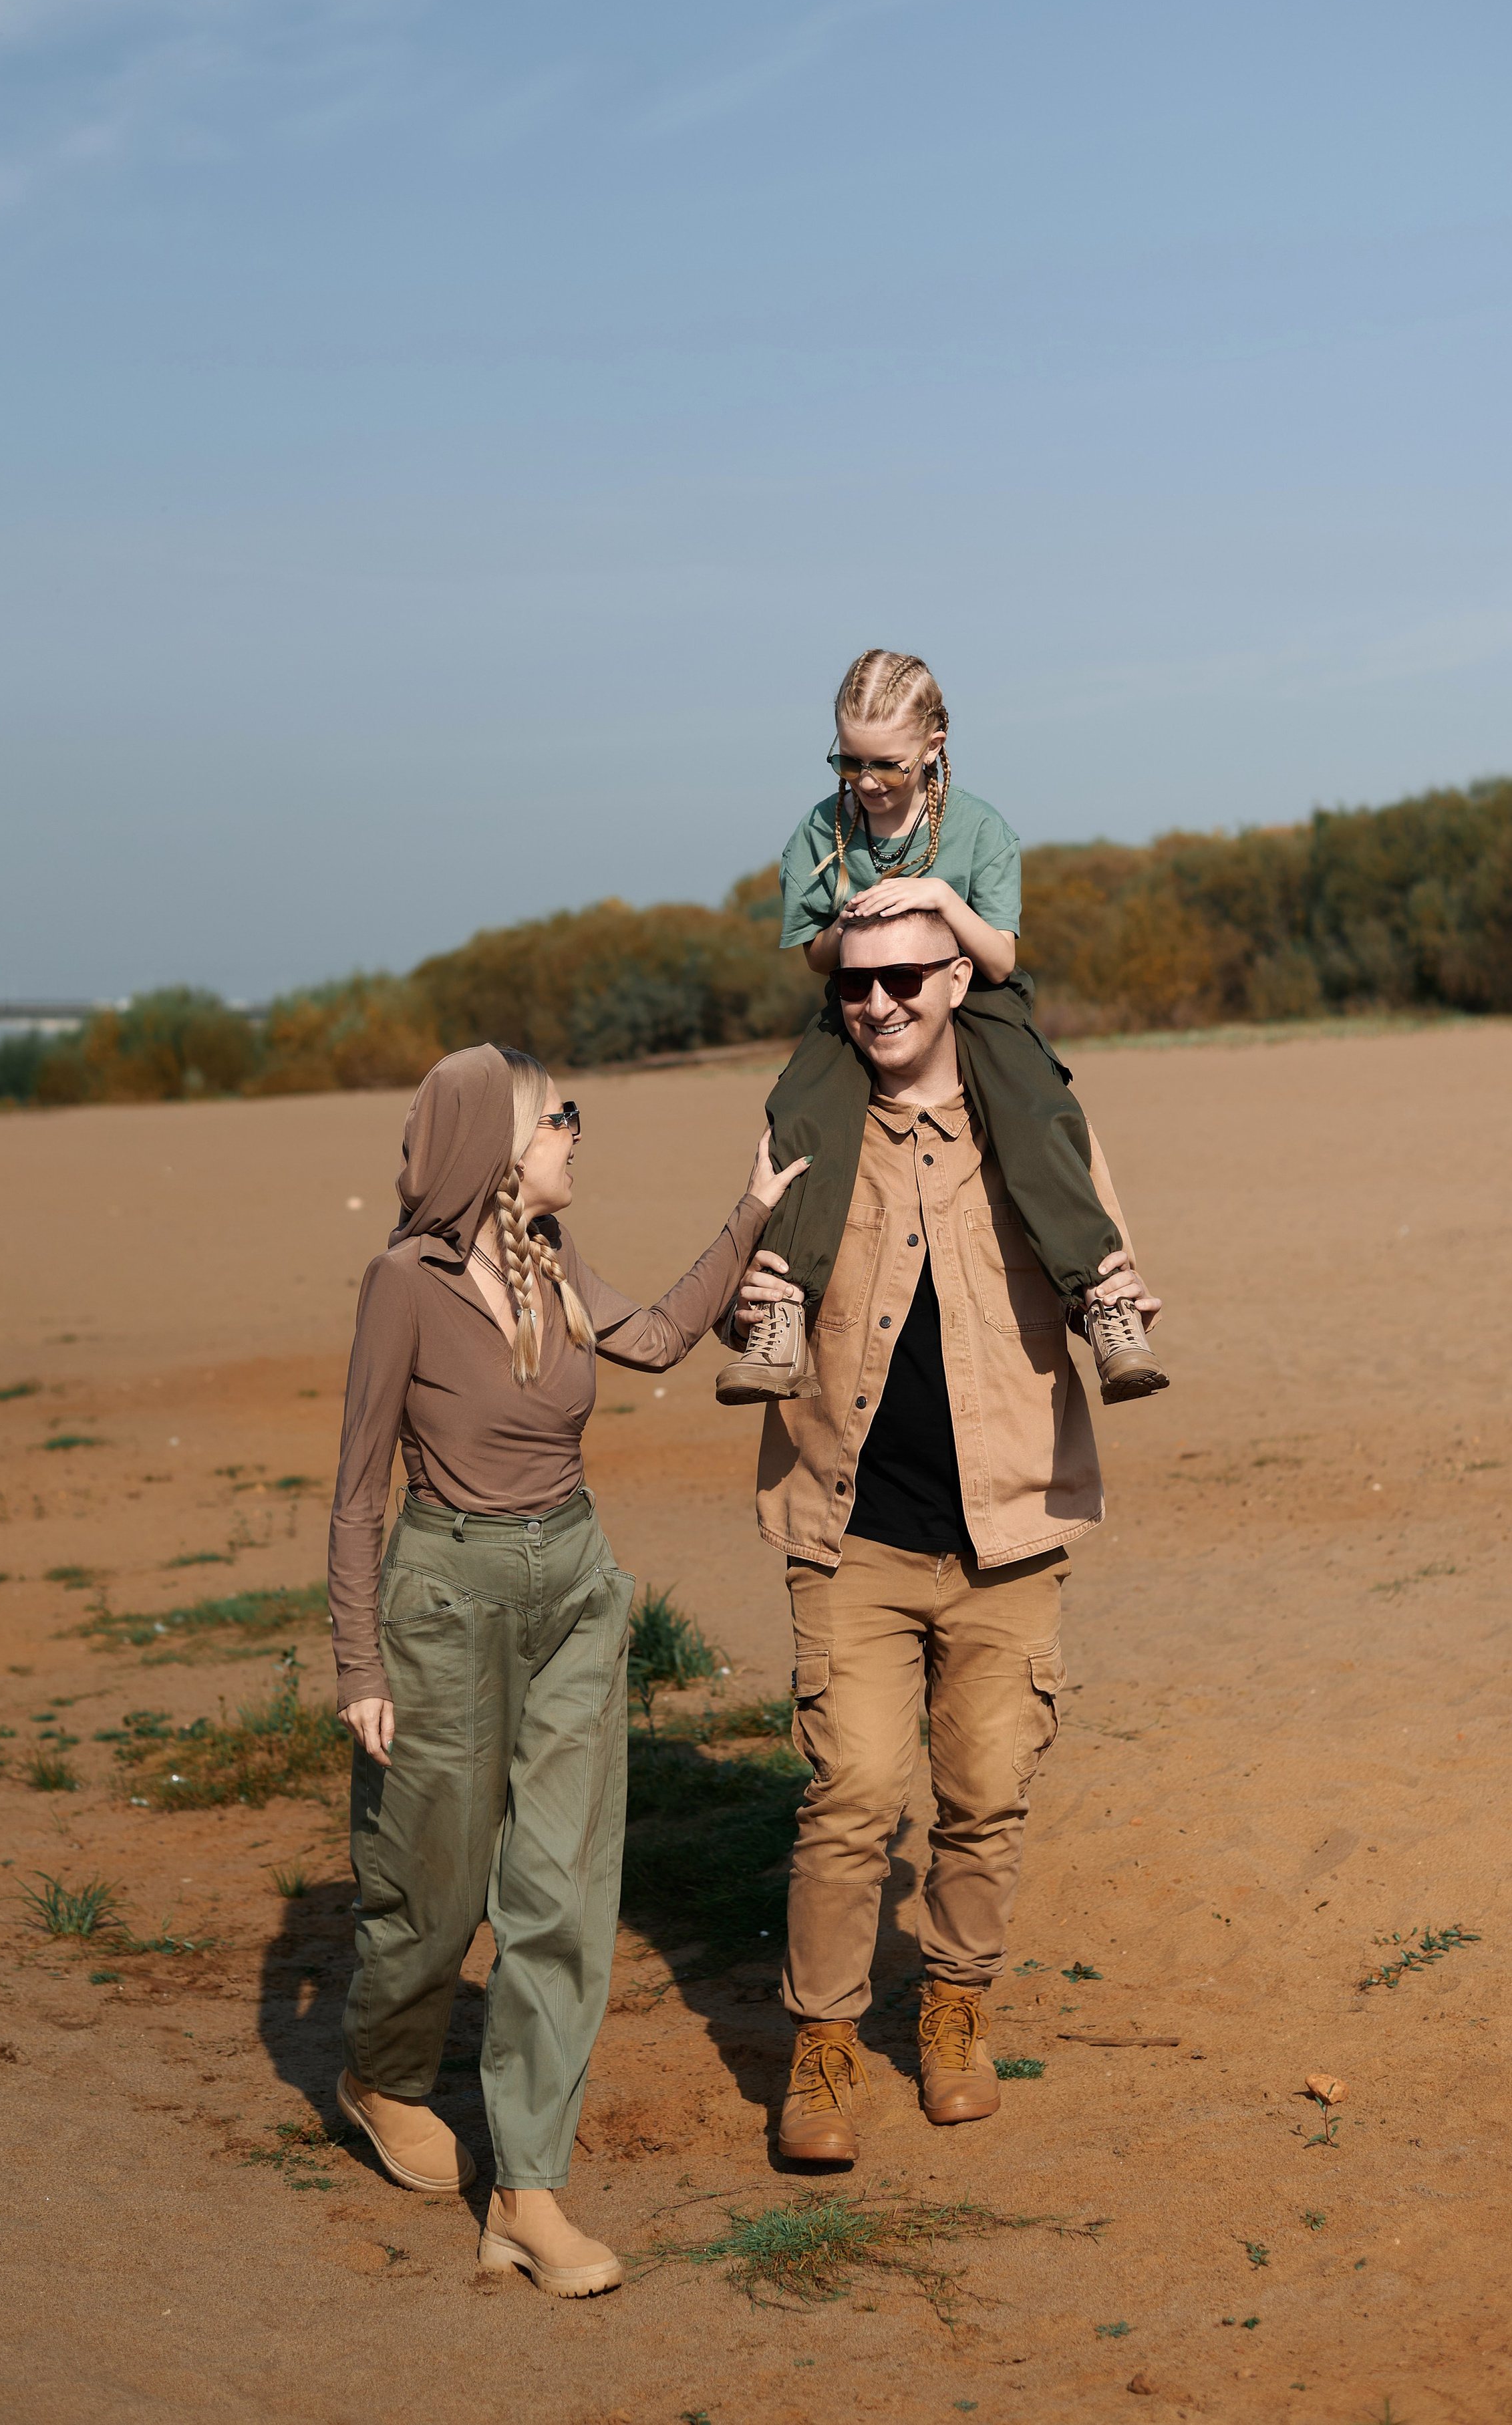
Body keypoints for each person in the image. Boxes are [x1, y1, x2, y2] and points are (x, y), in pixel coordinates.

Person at [328, 1043, 804, 2290]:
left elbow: (650, 1337)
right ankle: (380, 2073)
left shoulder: (547, 1259)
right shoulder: (405, 1282)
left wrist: (751, 1209)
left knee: (562, 1888)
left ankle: (527, 2194)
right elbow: (357, 1493)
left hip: (576, 1590)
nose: (577, 1132)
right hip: (445, 1599)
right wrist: (356, 1664)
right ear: (498, 1144)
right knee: (428, 1892)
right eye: (559, 1116)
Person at [723, 907, 1160, 2163]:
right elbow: (736, 1295)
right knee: (853, 1789)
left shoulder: (1038, 1128)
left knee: (985, 1792)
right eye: (857, 985)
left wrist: (1123, 1302)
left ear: (957, 976)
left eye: (906, 978)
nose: (880, 1004)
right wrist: (741, 1297)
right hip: (848, 1523)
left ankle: (957, 2008)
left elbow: (1113, 1275)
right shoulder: (806, 1125)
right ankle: (822, 2042)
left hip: (1006, 1528)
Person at [716, 647, 1165, 1409]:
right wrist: (855, 924)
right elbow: (815, 957)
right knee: (797, 1109)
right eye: (847, 762)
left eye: (886, 765)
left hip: (973, 987)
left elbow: (997, 956)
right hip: (858, 988)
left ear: (934, 747)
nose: (865, 782)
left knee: (1034, 1107)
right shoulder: (819, 831)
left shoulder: (981, 830)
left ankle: (1102, 1299)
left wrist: (935, 901)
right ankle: (782, 1314)